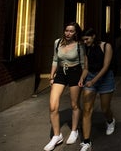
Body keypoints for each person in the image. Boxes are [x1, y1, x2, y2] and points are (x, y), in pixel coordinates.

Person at [44, 22, 85, 151]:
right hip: (61, 72)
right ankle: (57, 135)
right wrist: (51, 76)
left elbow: (84, 64)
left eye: (71, 31)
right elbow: (55, 59)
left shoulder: (79, 46)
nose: (68, 33)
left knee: (74, 104)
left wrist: (82, 78)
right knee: (53, 105)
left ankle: (74, 130)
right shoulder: (58, 42)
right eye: (66, 30)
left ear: (76, 33)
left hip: (75, 73)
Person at [78, 28, 116, 151]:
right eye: (83, 40)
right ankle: (86, 142)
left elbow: (106, 67)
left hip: (105, 78)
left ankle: (110, 121)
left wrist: (93, 81)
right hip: (90, 78)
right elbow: (86, 68)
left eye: (87, 39)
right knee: (87, 110)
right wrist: (82, 79)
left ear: (93, 36)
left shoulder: (106, 46)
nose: (85, 42)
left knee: (105, 108)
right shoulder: (86, 48)